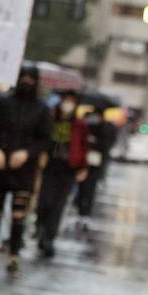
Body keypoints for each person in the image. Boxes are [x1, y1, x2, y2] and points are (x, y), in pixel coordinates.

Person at [0, 65, 51, 273]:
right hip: (1, 167)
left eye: (32, 79)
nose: (27, 83)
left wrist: (27, 154)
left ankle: (14, 254)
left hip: (24, 170)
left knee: (19, 215)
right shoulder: (3, 103)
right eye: (24, 78)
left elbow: (46, 140)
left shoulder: (42, 109)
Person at [35, 90, 88, 259]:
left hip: (68, 168)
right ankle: (41, 226)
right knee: (44, 201)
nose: (68, 104)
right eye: (66, 101)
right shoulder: (50, 118)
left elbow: (84, 147)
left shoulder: (80, 124)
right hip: (49, 165)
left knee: (58, 205)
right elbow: (41, 138)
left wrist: (83, 167)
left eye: (72, 101)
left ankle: (49, 238)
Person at [74, 105, 117, 228]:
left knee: (90, 189)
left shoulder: (106, 128)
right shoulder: (87, 126)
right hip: (84, 162)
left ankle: (86, 214)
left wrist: (95, 141)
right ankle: (80, 212)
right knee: (82, 188)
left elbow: (107, 145)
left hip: (96, 164)